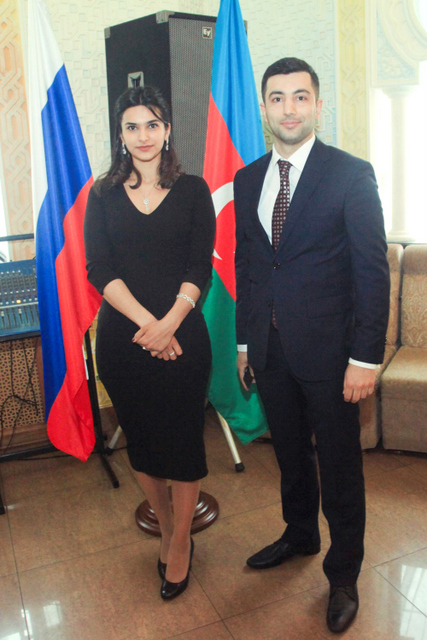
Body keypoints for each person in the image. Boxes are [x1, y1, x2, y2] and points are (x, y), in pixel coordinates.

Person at [234, 58, 390, 633]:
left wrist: (365, 358)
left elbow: (372, 273)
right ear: (264, 108)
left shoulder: (351, 174)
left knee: (340, 466)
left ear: (318, 106)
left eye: (300, 96)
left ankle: (343, 573)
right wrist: (245, 343)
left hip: (333, 356)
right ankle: (299, 534)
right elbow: (250, 266)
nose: (289, 108)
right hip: (270, 350)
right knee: (290, 455)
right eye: (277, 98)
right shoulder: (248, 179)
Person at [84, 86, 215, 601]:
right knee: (141, 442)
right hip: (124, 339)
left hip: (185, 335)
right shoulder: (102, 194)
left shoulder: (194, 190)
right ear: (120, 134)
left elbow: (199, 266)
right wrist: (150, 326)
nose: (143, 135)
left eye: (152, 124)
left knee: (183, 442)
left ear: (167, 130)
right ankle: (165, 525)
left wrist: (171, 322)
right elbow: (99, 268)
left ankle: (181, 541)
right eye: (132, 126)